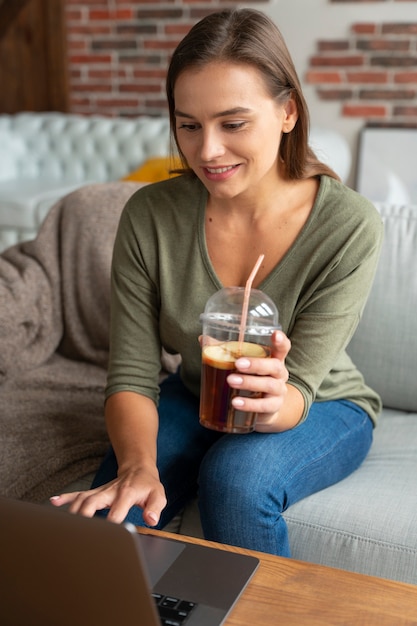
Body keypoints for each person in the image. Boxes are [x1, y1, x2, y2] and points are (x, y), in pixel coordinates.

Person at [51, 8, 383, 557]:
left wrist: (269, 403)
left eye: (233, 123)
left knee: (235, 480)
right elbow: (132, 373)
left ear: (288, 113)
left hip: (320, 403)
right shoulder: (150, 215)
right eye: (188, 125)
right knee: (116, 510)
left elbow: (298, 389)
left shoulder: (347, 225)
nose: (206, 151)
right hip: (193, 394)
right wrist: (137, 465)